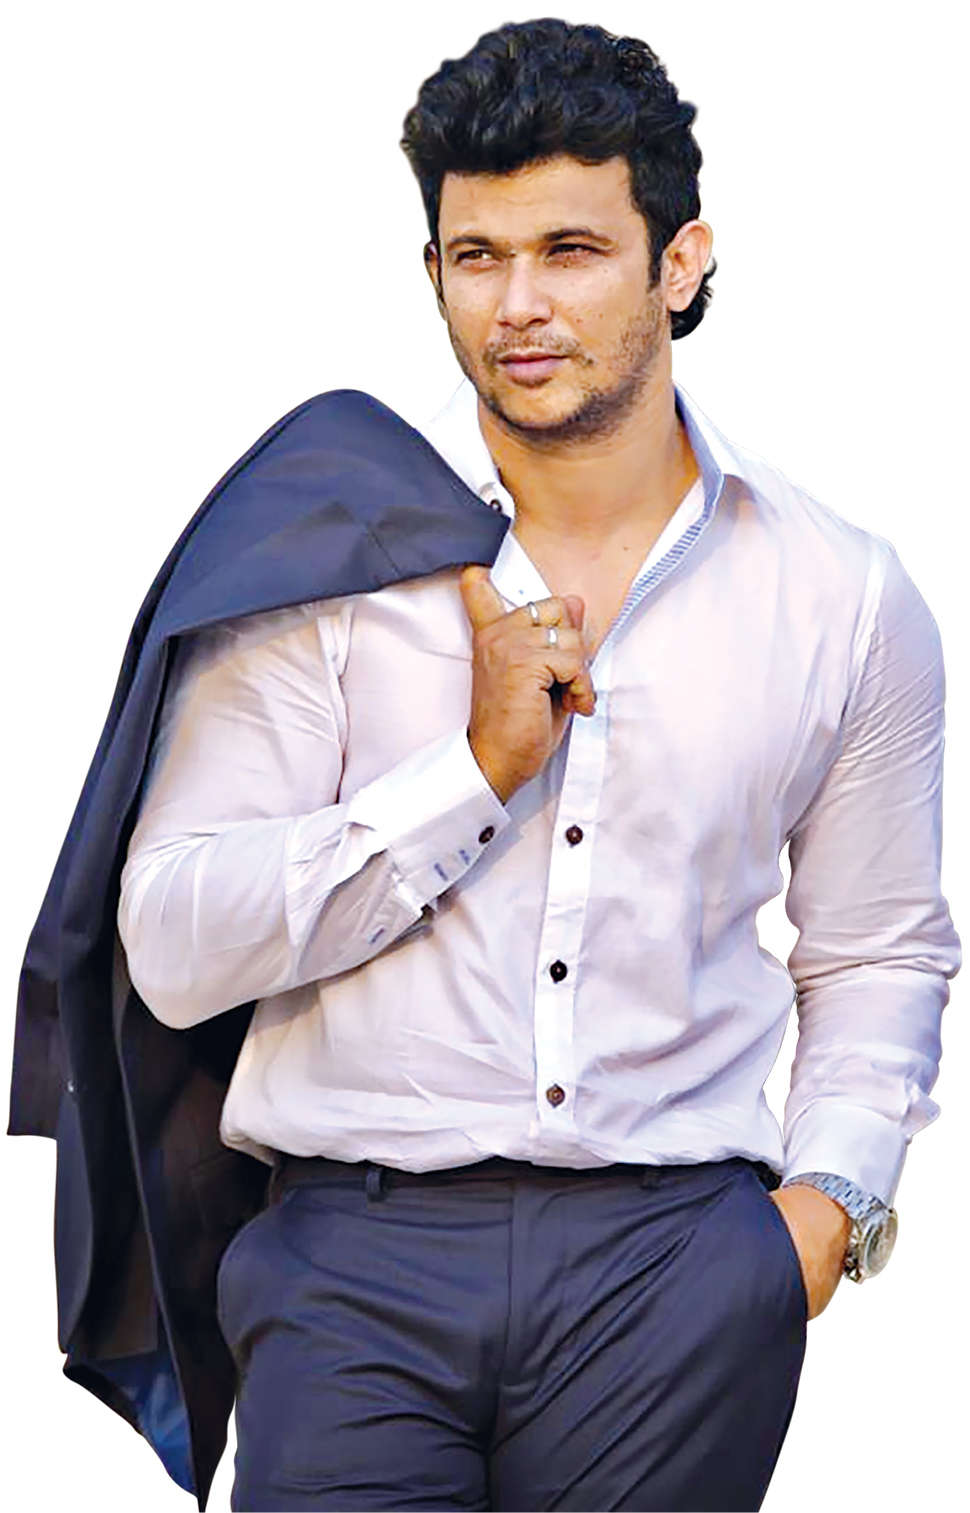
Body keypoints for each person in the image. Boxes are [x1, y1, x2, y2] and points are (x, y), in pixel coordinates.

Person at [107, 17, 959, 1513]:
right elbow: (174, 941)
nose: (517, 306)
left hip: (674, 1271)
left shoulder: (837, 594)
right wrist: (470, 771)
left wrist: (825, 1212)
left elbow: (879, 946)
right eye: (475, 257)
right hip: (355, 1264)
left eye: (569, 250)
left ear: (678, 263)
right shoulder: (324, 560)